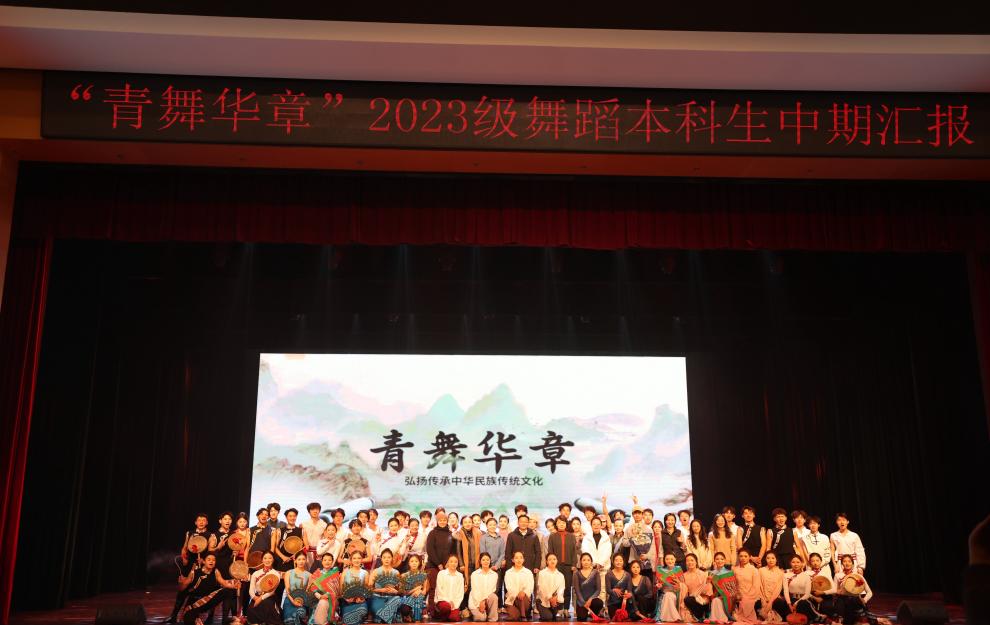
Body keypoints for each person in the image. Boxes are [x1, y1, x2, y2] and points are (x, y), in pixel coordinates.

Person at [166, 513, 213, 624]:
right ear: (195, 522)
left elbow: (211, 552)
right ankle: (173, 616)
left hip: (201, 568)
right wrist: (184, 557)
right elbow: (184, 548)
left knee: (196, 593)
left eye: (203, 520)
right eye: (199, 520)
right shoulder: (190, 533)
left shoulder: (210, 535)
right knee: (182, 592)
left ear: (207, 522)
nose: (201, 522)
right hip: (189, 567)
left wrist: (204, 561)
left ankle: (192, 617)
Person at [177, 553, 241, 625]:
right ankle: (196, 619)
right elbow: (181, 589)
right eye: (209, 559)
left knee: (228, 591)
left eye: (213, 560)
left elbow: (224, 583)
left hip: (208, 601)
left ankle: (227, 619)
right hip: (194, 603)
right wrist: (180, 583)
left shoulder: (216, 572)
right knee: (188, 621)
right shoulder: (194, 573)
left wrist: (234, 586)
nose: (211, 561)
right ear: (204, 562)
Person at [547, 515, 578, 617]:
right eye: (559, 522)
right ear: (556, 524)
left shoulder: (571, 536)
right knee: (556, 588)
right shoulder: (552, 536)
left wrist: (574, 564)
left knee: (567, 588)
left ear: (566, 524)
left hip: (568, 566)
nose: (561, 524)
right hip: (556, 566)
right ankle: (558, 609)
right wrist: (552, 564)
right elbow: (550, 552)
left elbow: (574, 552)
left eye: (563, 522)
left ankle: (566, 609)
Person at [425, 512, 455, 616]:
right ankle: (432, 611)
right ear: (437, 521)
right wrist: (439, 564)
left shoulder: (450, 534)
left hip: (447, 566)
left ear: (447, 521)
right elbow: (430, 550)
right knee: (433, 588)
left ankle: (443, 611)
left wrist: (447, 564)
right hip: (433, 565)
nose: (442, 522)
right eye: (440, 520)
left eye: (444, 520)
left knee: (444, 589)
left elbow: (452, 551)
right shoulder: (432, 533)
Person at [831, 554, 873, 624]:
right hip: (842, 601)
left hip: (855, 600)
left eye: (849, 561)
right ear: (842, 564)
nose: (847, 563)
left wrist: (864, 600)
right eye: (844, 561)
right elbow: (834, 591)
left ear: (853, 564)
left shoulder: (858, 576)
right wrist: (838, 592)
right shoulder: (838, 575)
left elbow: (870, 592)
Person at [784, 554, 825, 623]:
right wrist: (789, 604)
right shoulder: (786, 575)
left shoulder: (806, 576)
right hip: (790, 600)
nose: (796, 564)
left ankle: (819, 618)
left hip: (802, 600)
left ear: (802, 563)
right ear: (790, 563)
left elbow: (807, 594)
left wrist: (796, 603)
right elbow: (785, 591)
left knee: (803, 604)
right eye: (793, 562)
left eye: (798, 562)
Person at [245, 551, 281, 625]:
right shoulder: (256, 573)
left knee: (266, 605)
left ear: (273, 559)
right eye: (265, 558)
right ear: (262, 560)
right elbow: (251, 589)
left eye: (270, 558)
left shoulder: (276, 574)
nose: (267, 560)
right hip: (256, 597)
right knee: (251, 609)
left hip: (269, 597)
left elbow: (272, 591)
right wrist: (255, 598)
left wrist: (260, 599)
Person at [369, 548, 404, 624]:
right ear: (381, 559)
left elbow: (402, 590)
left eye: (389, 557)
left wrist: (396, 591)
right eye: (384, 557)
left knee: (398, 599)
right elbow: (369, 588)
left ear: (392, 559)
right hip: (378, 597)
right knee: (377, 610)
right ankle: (390, 617)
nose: (386, 559)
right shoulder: (375, 571)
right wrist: (380, 590)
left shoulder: (396, 572)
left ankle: (384, 617)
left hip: (392, 598)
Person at [478, 518, 505, 608]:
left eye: (494, 524)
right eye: (490, 525)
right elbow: (483, 553)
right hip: (486, 567)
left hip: (497, 568)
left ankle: (497, 607)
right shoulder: (483, 538)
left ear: (496, 525)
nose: (492, 526)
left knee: (497, 588)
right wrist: (488, 566)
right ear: (486, 526)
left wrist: (496, 566)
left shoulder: (500, 538)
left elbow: (502, 553)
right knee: (486, 587)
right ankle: (486, 606)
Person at [282, 552, 313, 625]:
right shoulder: (288, 573)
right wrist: (293, 601)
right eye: (299, 559)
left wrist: (301, 601)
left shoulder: (309, 575)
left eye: (303, 559)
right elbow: (288, 589)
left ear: (306, 560)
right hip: (290, 599)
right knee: (289, 621)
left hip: (302, 601)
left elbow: (308, 591)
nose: (301, 561)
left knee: (300, 613)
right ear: (295, 560)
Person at [732, 549, 762, 623]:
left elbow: (756, 586)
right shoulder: (735, 569)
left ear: (749, 557)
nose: (743, 558)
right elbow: (734, 584)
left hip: (751, 595)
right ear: (738, 557)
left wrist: (747, 596)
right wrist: (737, 594)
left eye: (745, 556)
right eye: (741, 556)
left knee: (746, 601)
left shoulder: (753, 570)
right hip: (739, 595)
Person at [454, 515, 481, 599]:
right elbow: (458, 551)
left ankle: (473, 603)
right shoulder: (459, 534)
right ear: (462, 524)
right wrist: (461, 564)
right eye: (465, 522)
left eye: (469, 522)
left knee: (475, 585)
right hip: (465, 565)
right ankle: (465, 604)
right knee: (466, 585)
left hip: (476, 564)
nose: (468, 524)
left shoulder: (477, 533)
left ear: (472, 523)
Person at [310, 552, 341, 625]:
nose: (327, 562)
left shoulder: (336, 572)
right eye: (325, 560)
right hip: (318, 598)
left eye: (329, 560)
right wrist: (320, 596)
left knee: (325, 602)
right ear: (322, 562)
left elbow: (337, 589)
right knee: (322, 602)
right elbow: (313, 588)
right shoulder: (317, 573)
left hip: (333, 599)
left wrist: (330, 595)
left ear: (332, 561)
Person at [573, 552, 605, 621]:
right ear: (581, 562)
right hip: (581, 602)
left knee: (599, 603)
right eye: (584, 560)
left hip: (592, 601)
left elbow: (598, 590)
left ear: (591, 562)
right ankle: (586, 612)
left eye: (588, 560)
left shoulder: (595, 572)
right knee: (581, 618)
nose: (586, 562)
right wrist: (584, 603)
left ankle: (593, 613)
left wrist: (590, 599)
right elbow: (577, 591)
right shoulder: (576, 574)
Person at [340, 551, 370, 625]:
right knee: (347, 618)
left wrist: (361, 597)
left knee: (362, 610)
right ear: (351, 560)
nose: (357, 560)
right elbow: (341, 589)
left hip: (360, 601)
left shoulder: (365, 573)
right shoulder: (345, 572)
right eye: (354, 558)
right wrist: (346, 598)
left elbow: (366, 590)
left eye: (359, 558)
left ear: (361, 560)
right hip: (347, 601)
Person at [503, 551, 535, 620]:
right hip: (512, 600)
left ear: (523, 560)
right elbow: (509, 587)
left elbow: (530, 586)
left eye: (521, 558)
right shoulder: (508, 572)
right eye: (516, 558)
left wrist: (523, 592)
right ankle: (523, 614)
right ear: (513, 560)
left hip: (525, 599)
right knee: (515, 616)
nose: (519, 560)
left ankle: (523, 616)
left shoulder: (528, 572)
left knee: (522, 598)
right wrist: (518, 594)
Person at [434, 554, 466, 622]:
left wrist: (455, 604)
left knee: (454, 618)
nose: (453, 563)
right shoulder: (441, 573)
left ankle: (444, 617)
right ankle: (441, 615)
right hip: (443, 600)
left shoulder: (460, 576)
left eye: (455, 562)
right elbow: (439, 590)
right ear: (447, 563)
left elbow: (460, 593)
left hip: (454, 603)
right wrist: (448, 601)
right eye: (451, 561)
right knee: (446, 607)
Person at [468, 553, 499, 621]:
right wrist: (480, 603)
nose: (486, 561)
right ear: (480, 561)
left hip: (487, 600)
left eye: (487, 560)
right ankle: (476, 613)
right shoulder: (474, 574)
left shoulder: (494, 574)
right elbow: (475, 590)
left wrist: (483, 601)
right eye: (483, 560)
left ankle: (492, 618)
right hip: (476, 601)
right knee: (481, 618)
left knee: (494, 597)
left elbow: (491, 590)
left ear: (490, 561)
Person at [399, 553, 430, 623]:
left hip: (419, 597)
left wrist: (420, 591)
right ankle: (409, 615)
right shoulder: (404, 575)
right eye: (412, 561)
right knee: (405, 610)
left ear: (419, 563)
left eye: (416, 561)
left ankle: (417, 620)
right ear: (409, 563)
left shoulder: (423, 575)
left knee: (418, 597)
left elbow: (424, 591)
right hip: (407, 598)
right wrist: (414, 590)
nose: (414, 563)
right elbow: (402, 592)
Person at [757, 551, 787, 622]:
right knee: (757, 603)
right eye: (768, 558)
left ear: (776, 559)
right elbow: (759, 586)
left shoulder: (780, 572)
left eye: (773, 558)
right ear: (765, 559)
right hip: (762, 596)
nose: (771, 560)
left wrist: (770, 602)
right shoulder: (761, 570)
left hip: (774, 597)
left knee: (779, 603)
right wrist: (763, 599)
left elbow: (778, 589)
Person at [536, 553, 566, 621]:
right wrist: (550, 598)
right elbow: (542, 588)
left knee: (553, 616)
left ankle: (552, 612)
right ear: (547, 561)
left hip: (555, 600)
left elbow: (561, 588)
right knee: (548, 617)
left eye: (554, 559)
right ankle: (545, 611)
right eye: (550, 559)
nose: (552, 561)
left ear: (557, 561)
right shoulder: (542, 573)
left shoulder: (560, 575)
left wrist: (555, 597)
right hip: (544, 600)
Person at [707, 552, 736, 623]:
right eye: (717, 559)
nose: (719, 561)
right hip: (715, 595)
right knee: (715, 600)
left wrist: (724, 595)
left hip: (728, 597)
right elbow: (709, 589)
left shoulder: (729, 572)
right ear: (714, 561)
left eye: (722, 559)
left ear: (725, 560)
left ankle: (722, 618)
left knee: (716, 600)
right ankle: (716, 619)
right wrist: (708, 581)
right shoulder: (711, 573)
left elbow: (732, 588)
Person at [680, 553, 709, 622]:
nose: (690, 562)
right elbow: (684, 591)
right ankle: (699, 617)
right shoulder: (684, 575)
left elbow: (707, 591)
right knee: (687, 599)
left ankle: (702, 615)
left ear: (696, 562)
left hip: (703, 600)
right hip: (691, 601)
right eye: (687, 561)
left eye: (692, 560)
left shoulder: (703, 574)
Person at [655, 552, 684, 622]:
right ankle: (673, 618)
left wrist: (677, 581)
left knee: (669, 595)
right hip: (664, 593)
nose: (670, 561)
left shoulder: (678, 569)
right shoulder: (660, 570)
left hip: (677, 593)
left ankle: (671, 617)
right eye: (667, 559)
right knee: (667, 595)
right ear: (664, 560)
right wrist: (658, 586)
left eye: (671, 559)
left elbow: (683, 584)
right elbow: (658, 585)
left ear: (675, 559)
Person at [301, 502, 328, 569]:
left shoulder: (324, 524)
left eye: (317, 509)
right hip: (307, 551)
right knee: (307, 570)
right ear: (309, 511)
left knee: (318, 570)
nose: (315, 511)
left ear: (319, 511)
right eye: (312, 509)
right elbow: (302, 537)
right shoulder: (303, 524)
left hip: (319, 551)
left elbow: (326, 539)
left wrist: (321, 550)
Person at [604, 554, 631, 618]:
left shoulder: (627, 575)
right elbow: (608, 590)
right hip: (612, 602)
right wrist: (613, 590)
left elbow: (629, 590)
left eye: (620, 560)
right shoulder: (608, 574)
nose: (618, 562)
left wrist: (629, 594)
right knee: (615, 619)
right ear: (613, 562)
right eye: (616, 560)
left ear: (623, 562)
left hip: (624, 602)